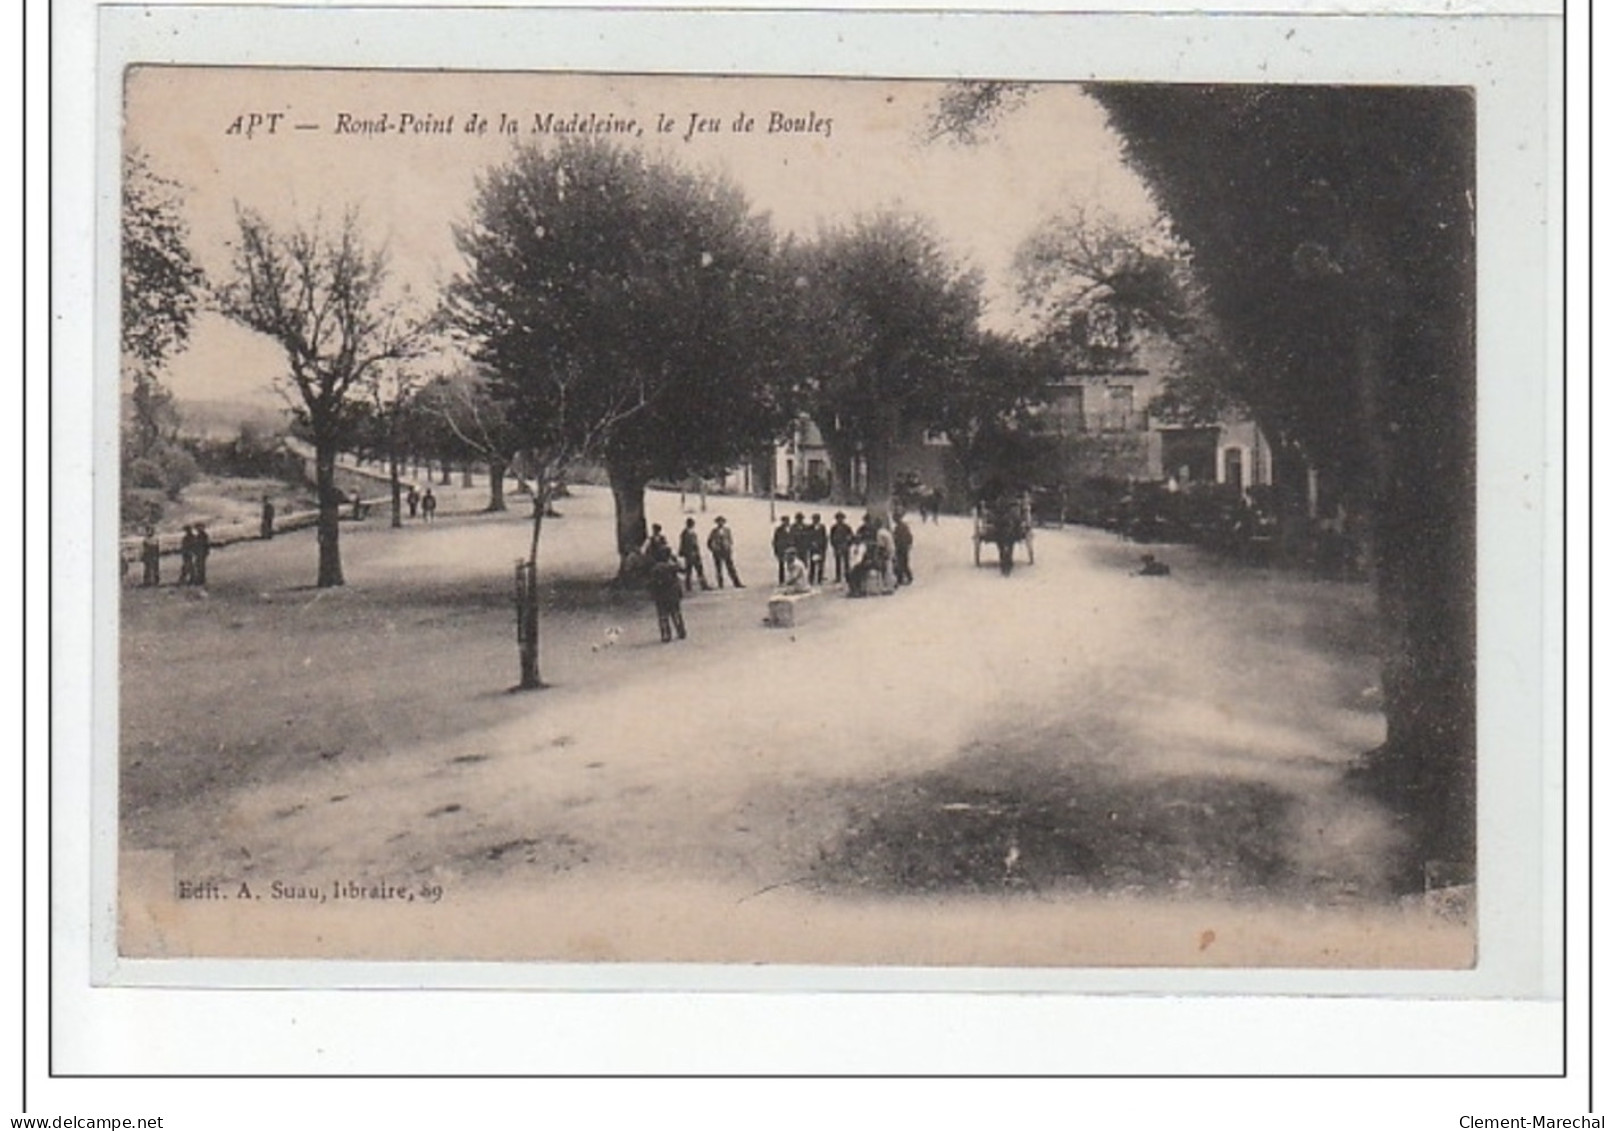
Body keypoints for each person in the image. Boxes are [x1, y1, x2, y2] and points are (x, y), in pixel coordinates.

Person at [646, 545, 686, 643]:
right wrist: (675, 560)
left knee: (663, 616)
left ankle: (665, 635)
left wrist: (652, 594)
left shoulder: (655, 568)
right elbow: (683, 569)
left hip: (660, 596)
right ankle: (681, 631)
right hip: (673, 594)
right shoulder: (671, 566)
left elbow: (651, 583)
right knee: (676, 613)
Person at [707, 516, 743, 588]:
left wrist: (729, 547)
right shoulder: (713, 532)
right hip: (718, 553)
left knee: (731, 568)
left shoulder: (727, 531)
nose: (720, 523)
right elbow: (709, 542)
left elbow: (730, 540)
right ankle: (720, 584)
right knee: (719, 569)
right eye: (719, 522)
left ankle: (736, 583)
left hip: (726, 552)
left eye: (722, 522)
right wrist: (714, 549)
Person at [678, 518, 710, 592]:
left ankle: (703, 585)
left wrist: (697, 553)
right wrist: (684, 553)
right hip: (689, 554)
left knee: (699, 570)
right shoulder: (685, 533)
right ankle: (689, 586)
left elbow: (695, 544)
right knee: (689, 571)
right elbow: (683, 544)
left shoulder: (692, 533)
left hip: (694, 554)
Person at [828, 512, 854, 583]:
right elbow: (831, 538)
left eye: (841, 518)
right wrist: (834, 546)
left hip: (845, 547)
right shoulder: (833, 528)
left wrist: (847, 545)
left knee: (846, 563)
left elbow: (851, 537)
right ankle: (838, 577)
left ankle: (847, 577)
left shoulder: (847, 528)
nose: (840, 520)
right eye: (838, 518)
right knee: (838, 563)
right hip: (837, 547)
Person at [892, 513, 914, 586]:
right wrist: (909, 544)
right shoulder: (903, 526)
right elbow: (910, 536)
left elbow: (897, 538)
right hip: (904, 547)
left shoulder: (899, 528)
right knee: (903, 563)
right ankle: (904, 577)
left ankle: (906, 577)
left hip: (901, 547)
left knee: (901, 563)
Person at [806, 514, 828, 585]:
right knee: (812, 564)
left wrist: (823, 547)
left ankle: (819, 579)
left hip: (820, 548)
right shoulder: (809, 528)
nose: (815, 520)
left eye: (816, 519)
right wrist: (811, 544)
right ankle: (811, 579)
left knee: (820, 565)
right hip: (813, 549)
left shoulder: (822, 528)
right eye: (814, 519)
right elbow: (807, 537)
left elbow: (824, 538)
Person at [772, 517, 793, 584]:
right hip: (781, 549)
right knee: (781, 565)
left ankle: (791, 579)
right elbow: (775, 540)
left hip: (790, 549)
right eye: (785, 521)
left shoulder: (792, 529)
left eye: (787, 521)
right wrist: (776, 550)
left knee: (791, 565)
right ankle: (781, 580)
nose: (786, 522)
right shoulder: (778, 530)